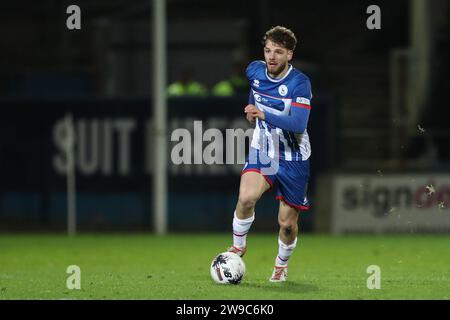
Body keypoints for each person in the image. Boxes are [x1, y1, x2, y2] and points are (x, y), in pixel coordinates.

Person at [227, 26, 313, 282]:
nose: (271, 57)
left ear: (290, 55)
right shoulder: (254, 70)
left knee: (287, 223)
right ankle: (238, 247)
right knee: (246, 198)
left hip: (294, 158)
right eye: (268, 50)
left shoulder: (300, 83)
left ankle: (281, 264)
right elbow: (256, 90)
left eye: (278, 52)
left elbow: (298, 124)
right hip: (263, 151)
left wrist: (264, 114)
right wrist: (252, 108)